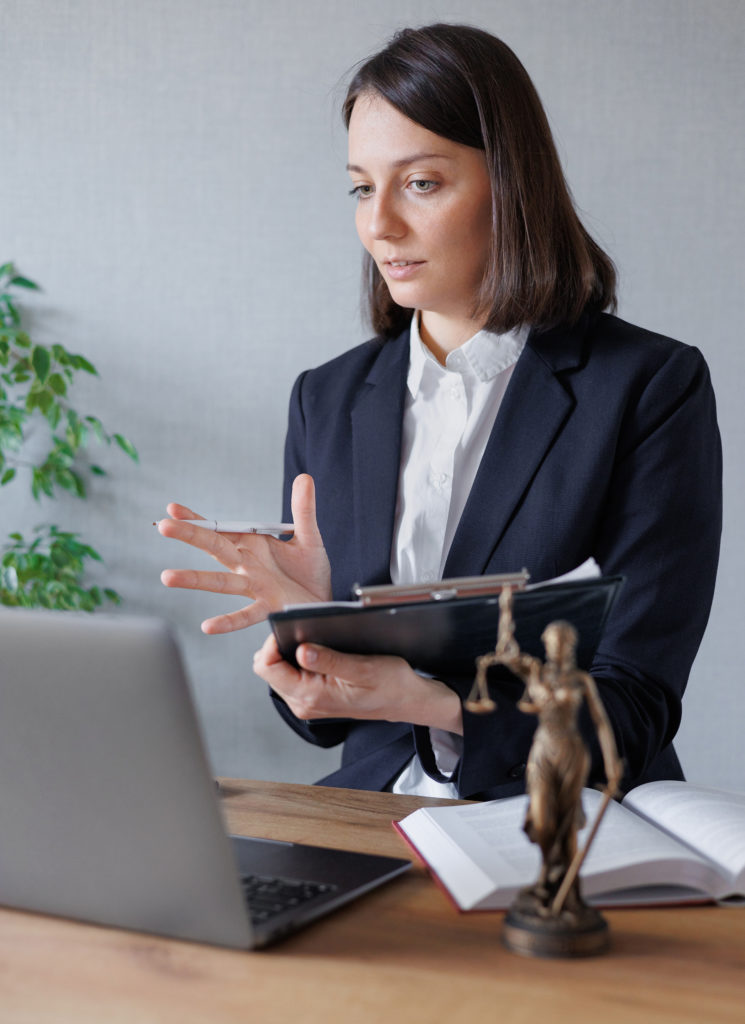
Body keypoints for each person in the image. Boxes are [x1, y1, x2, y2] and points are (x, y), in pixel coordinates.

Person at [158, 24, 722, 801]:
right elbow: (322, 724)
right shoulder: (324, 397)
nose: (378, 224)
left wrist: (430, 701)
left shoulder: (649, 386)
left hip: (563, 821)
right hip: (377, 812)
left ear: (511, 184)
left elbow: (634, 702)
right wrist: (308, 635)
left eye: (419, 182)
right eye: (361, 187)